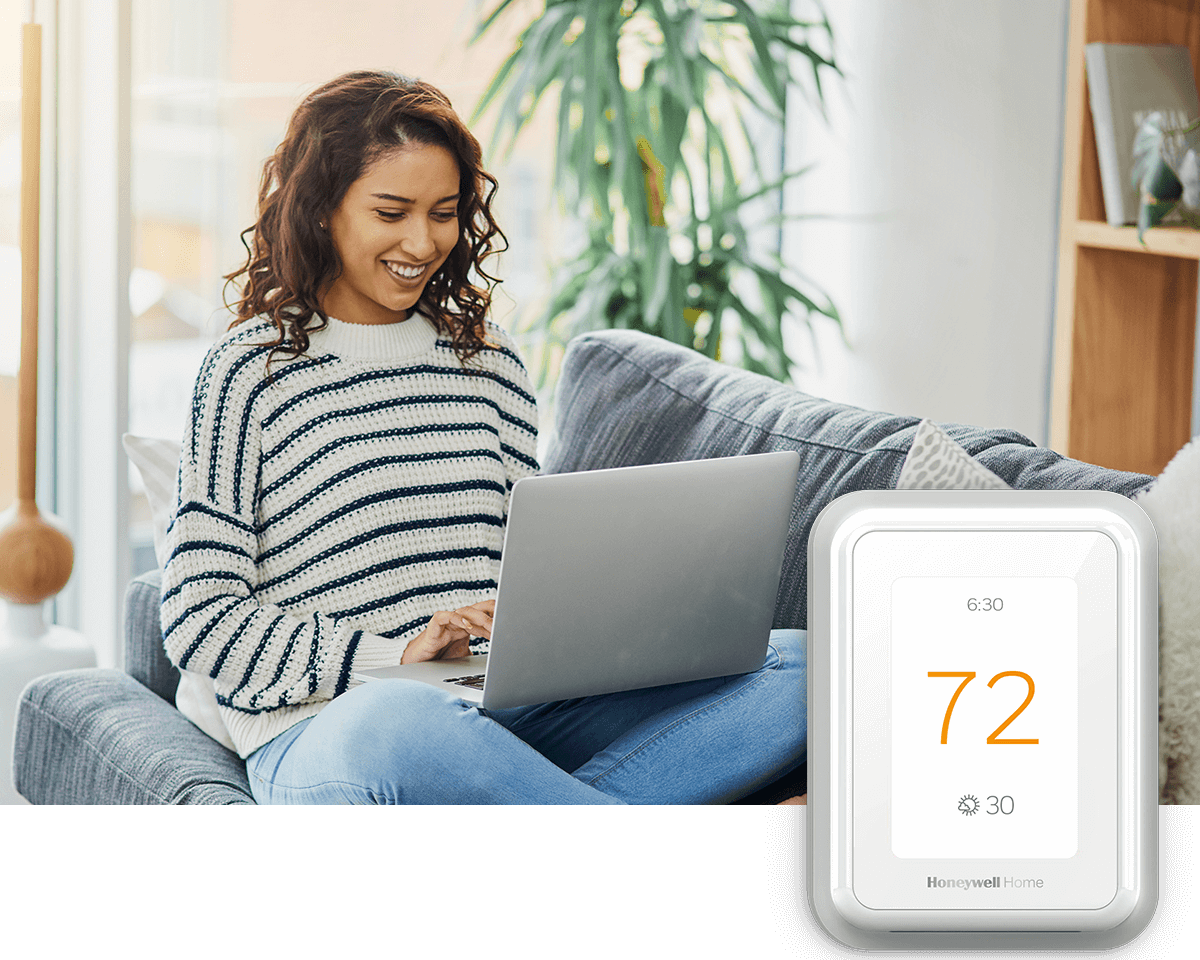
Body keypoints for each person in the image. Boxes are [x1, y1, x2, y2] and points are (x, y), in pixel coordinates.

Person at [160, 69, 808, 804]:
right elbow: (200, 617)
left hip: (498, 711)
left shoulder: (487, 358)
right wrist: (393, 656)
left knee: (800, 665)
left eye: (444, 212)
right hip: (341, 724)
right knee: (401, 720)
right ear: (321, 211)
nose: (423, 240)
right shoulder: (250, 370)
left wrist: (537, 622)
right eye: (391, 211)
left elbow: (524, 563)